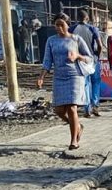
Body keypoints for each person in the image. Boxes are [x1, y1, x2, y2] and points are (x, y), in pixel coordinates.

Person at [35, 13, 92, 151]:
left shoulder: (76, 39)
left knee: (72, 108)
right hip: (59, 77)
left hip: (74, 76)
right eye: (57, 25)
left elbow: (89, 58)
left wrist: (78, 56)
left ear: (68, 24)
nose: (59, 27)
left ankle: (74, 141)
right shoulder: (51, 41)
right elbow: (47, 60)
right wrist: (42, 76)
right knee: (59, 110)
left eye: (62, 24)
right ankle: (77, 125)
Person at [73, 10, 104, 118]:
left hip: (80, 60)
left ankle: (87, 109)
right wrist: (97, 56)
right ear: (87, 18)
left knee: (85, 84)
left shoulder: (73, 29)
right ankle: (95, 105)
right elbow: (100, 45)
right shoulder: (92, 28)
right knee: (96, 82)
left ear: (78, 18)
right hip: (92, 59)